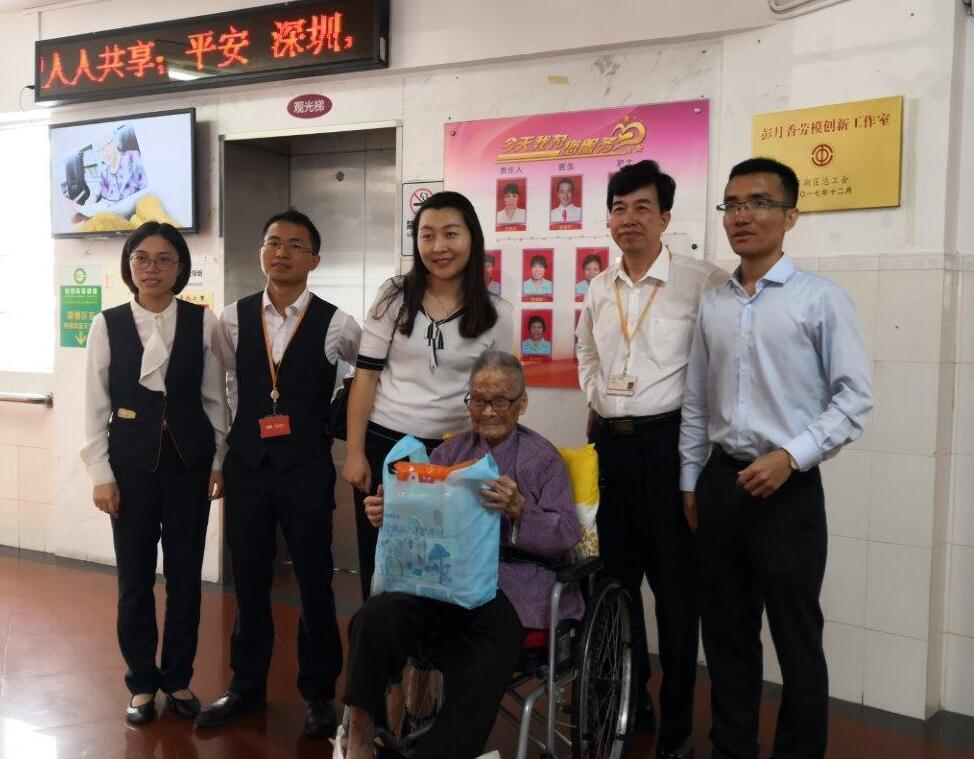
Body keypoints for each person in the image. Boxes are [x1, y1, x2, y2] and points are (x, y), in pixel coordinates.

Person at [679, 158, 872, 759]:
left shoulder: (821, 300)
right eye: (732, 204)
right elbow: (696, 399)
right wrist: (690, 481)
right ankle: (733, 748)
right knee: (727, 634)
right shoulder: (713, 304)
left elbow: (854, 398)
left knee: (796, 639)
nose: (742, 215)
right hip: (720, 483)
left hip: (788, 490)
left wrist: (791, 456)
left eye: (759, 202)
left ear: (791, 216)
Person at [342, 351, 583, 759]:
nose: (487, 411)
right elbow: (419, 522)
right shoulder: (448, 455)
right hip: (443, 579)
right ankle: (362, 735)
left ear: (521, 403)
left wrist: (520, 510)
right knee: (373, 617)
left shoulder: (543, 459)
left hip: (510, 584)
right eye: (478, 400)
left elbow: (565, 536)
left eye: (499, 401)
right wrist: (389, 512)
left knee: (484, 657)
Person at [576, 159, 726, 758]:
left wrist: (697, 463)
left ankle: (677, 726)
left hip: (671, 447)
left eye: (642, 207)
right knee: (613, 581)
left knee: (676, 593)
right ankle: (628, 695)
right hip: (610, 446)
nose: (629, 219)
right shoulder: (598, 287)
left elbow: (718, 372)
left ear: (666, 218)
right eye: (619, 208)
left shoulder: (702, 282)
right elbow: (587, 351)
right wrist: (597, 395)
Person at [196, 209, 361, 738]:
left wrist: (337, 418)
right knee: (248, 578)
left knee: (314, 578)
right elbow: (225, 389)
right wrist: (222, 456)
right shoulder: (231, 318)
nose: (282, 252)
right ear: (261, 252)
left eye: (295, 245)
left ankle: (319, 693)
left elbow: (366, 377)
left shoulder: (339, 323)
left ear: (315, 258)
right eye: (273, 242)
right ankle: (246, 685)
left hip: (307, 466)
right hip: (247, 464)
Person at [80, 222, 226, 725]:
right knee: (134, 579)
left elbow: (215, 399)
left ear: (180, 266)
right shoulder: (108, 324)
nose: (152, 268)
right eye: (141, 258)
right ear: (129, 265)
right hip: (130, 469)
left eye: (165, 259)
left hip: (189, 466)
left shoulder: (202, 321)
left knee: (185, 578)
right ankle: (142, 682)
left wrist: (219, 460)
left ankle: (178, 678)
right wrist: (100, 472)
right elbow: (94, 404)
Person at [342, 191, 513, 601]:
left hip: (455, 456)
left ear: (472, 238)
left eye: (451, 234)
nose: (439, 247)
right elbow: (365, 377)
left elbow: (498, 400)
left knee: (445, 567)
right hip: (387, 448)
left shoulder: (497, 313)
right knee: (385, 565)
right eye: (427, 235)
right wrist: (354, 453)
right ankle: (383, 643)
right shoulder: (394, 296)